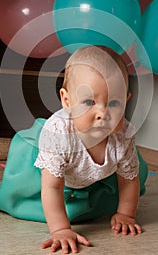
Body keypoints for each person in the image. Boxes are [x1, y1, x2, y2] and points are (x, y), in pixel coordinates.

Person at [34, 45, 143, 254]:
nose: (102, 113)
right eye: (89, 102)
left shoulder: (124, 134)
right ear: (67, 101)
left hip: (97, 176)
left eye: (113, 103)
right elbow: (52, 188)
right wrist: (61, 229)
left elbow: (129, 180)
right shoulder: (58, 133)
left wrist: (126, 214)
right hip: (58, 173)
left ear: (126, 101)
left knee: (137, 172)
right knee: (32, 192)